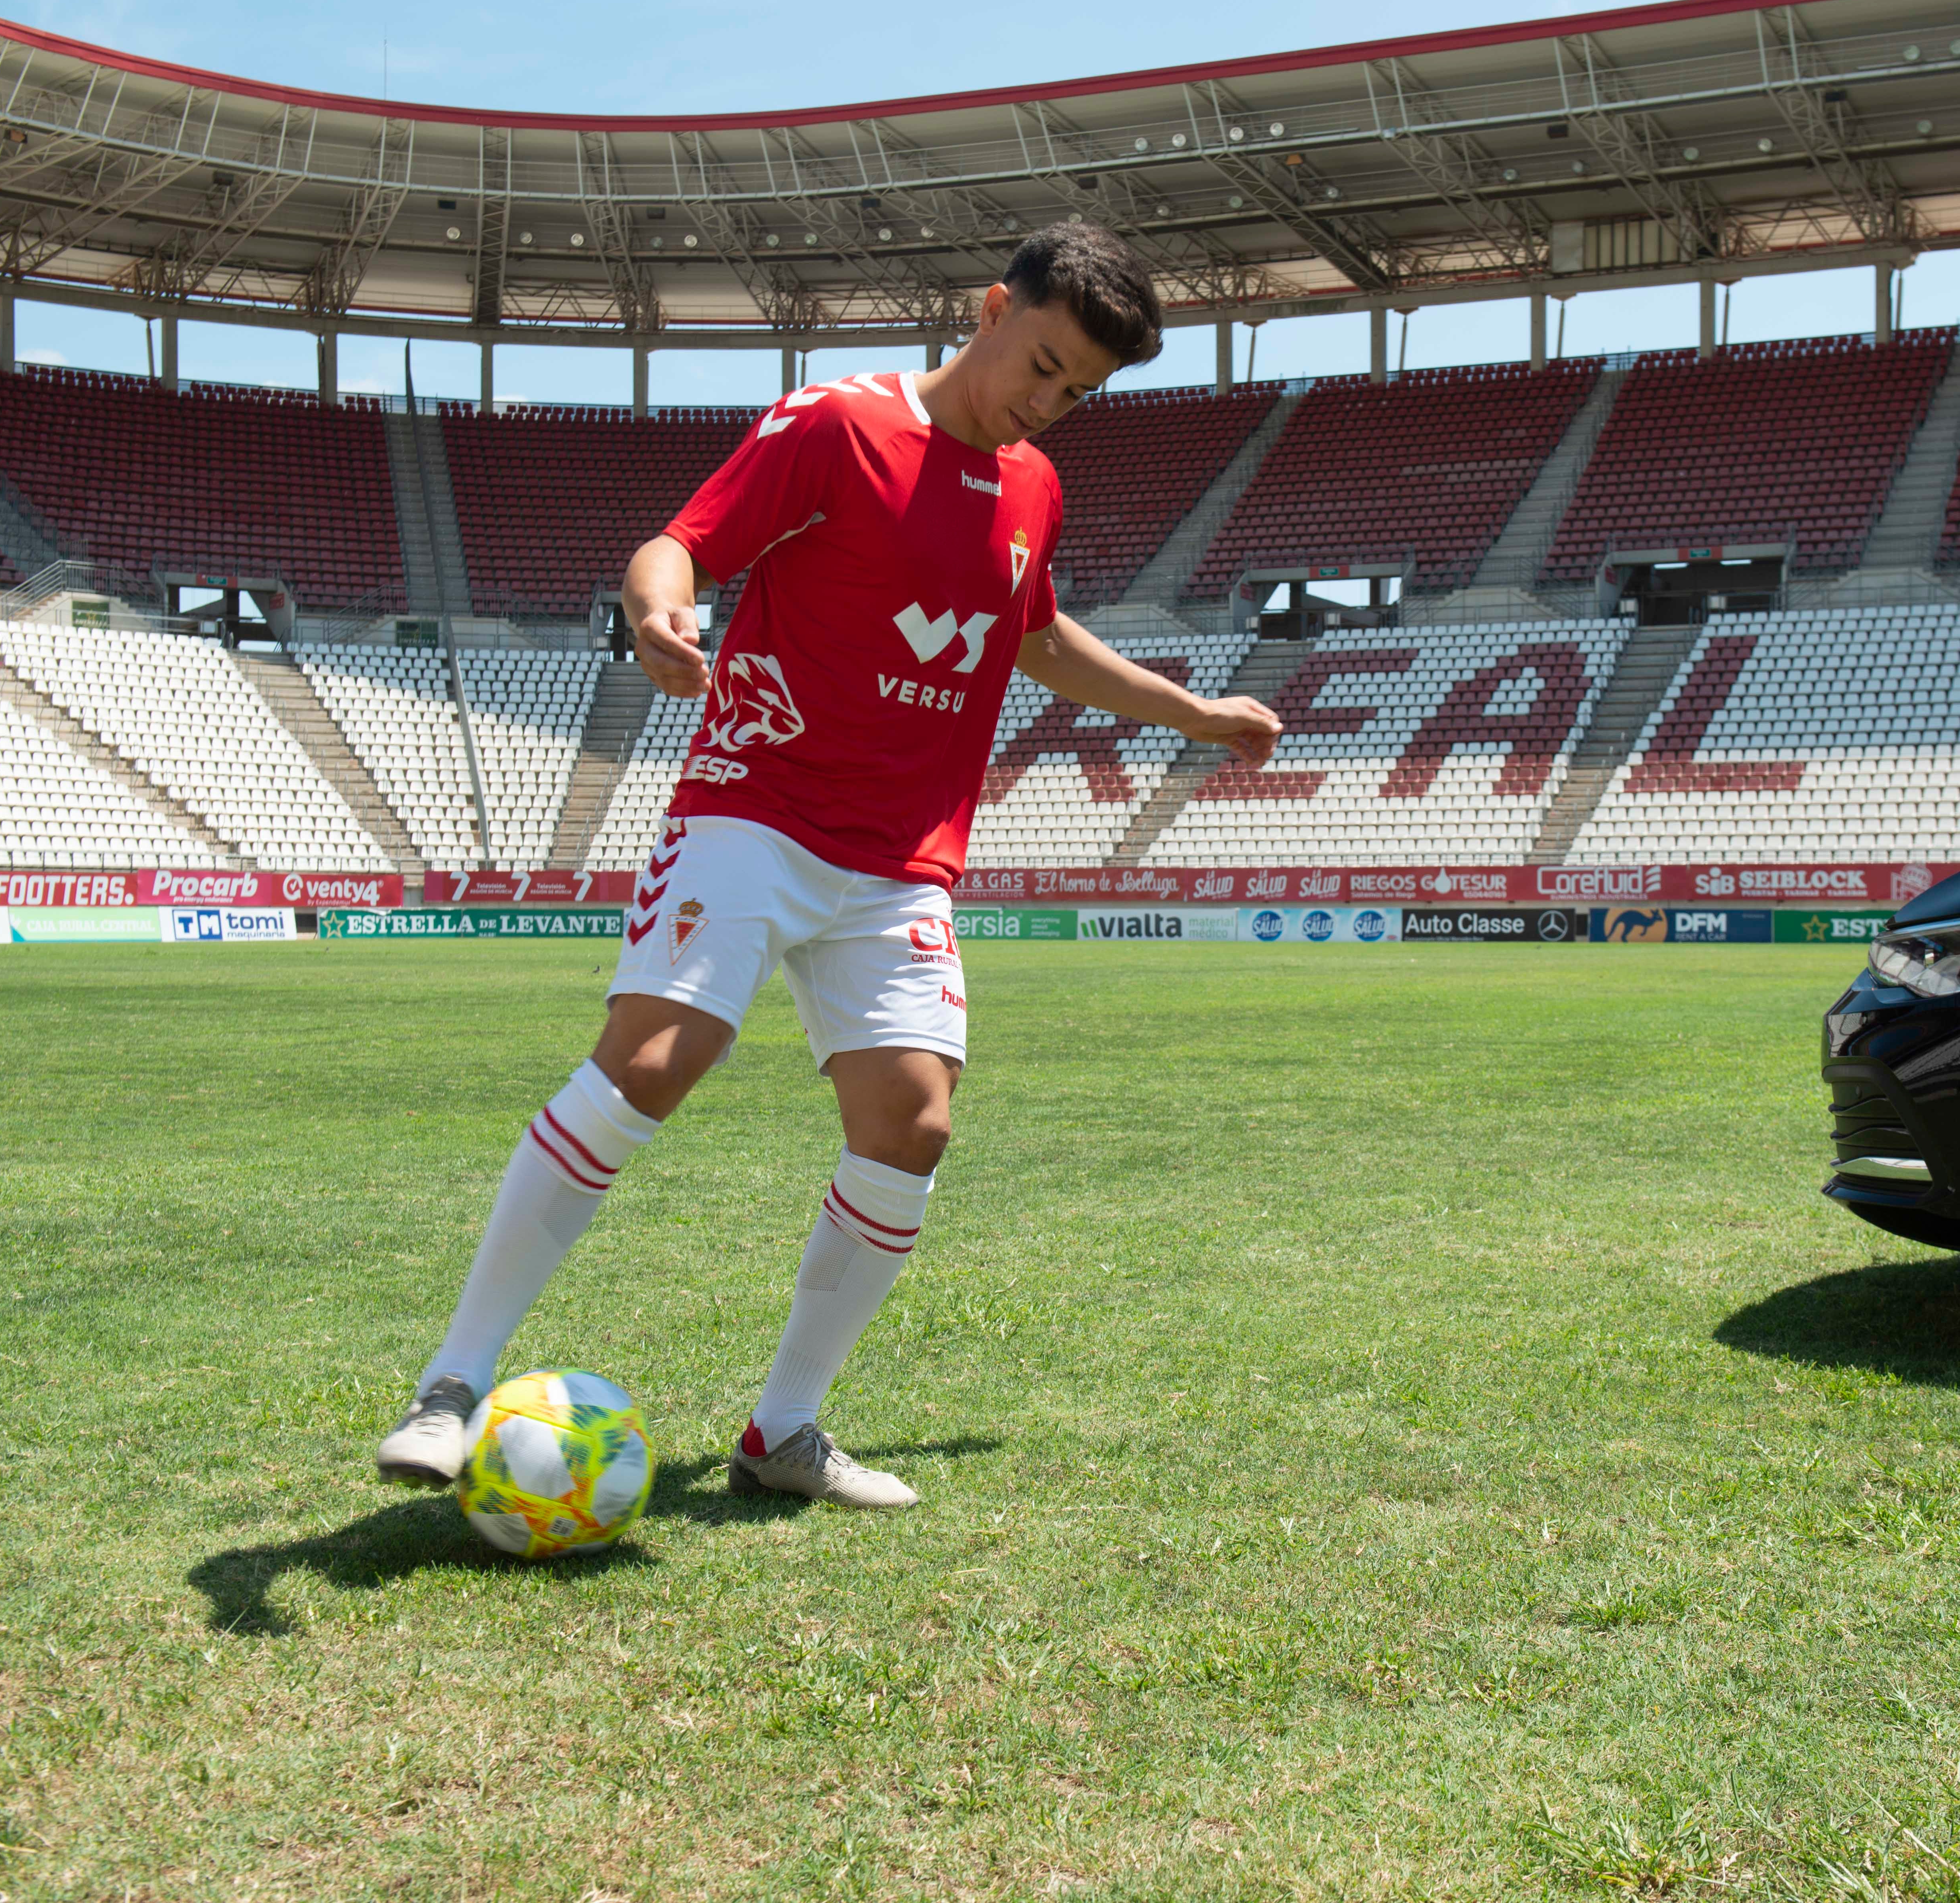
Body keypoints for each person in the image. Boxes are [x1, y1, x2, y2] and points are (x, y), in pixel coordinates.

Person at [374, 220, 1284, 1508]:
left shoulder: (1032, 487)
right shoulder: (838, 424)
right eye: (1042, 366)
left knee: (913, 1122)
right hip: (757, 803)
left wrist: (1190, 712)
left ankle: (784, 1431)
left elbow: (1035, 637)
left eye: (1078, 392)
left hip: (902, 856)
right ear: (992, 309)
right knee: (656, 1057)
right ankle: (452, 1385)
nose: (1048, 404)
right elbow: (681, 544)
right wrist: (657, 610)